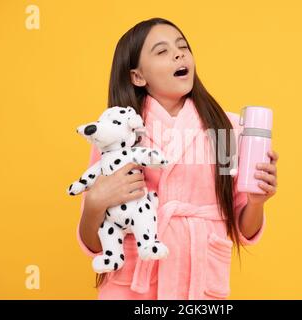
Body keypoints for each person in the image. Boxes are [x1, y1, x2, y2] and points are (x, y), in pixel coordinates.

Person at [77, 17, 279, 300]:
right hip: (133, 289)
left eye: (182, 47)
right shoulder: (116, 132)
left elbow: (243, 229)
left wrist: (257, 202)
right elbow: (94, 244)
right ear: (137, 76)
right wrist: (95, 203)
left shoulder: (225, 128)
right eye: (161, 51)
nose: (178, 54)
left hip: (199, 285)